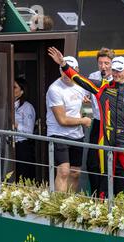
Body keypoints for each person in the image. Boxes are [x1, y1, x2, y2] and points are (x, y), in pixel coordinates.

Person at [48, 47, 124, 203]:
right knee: (104, 177)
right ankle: (102, 211)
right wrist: (64, 64)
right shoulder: (101, 86)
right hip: (105, 139)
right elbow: (79, 79)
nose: (116, 74)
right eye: (114, 70)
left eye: (119, 70)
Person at [46, 55, 92, 192]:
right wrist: (83, 120)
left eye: (69, 70)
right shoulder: (54, 89)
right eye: (63, 70)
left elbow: (87, 108)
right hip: (58, 134)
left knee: (75, 173)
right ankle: (59, 208)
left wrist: (86, 110)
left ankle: (69, 205)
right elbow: (62, 120)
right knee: (63, 171)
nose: (66, 74)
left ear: (76, 70)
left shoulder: (81, 86)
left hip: (77, 135)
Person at [86, 47, 114, 197]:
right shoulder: (93, 76)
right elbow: (84, 93)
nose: (103, 67)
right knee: (92, 162)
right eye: (100, 63)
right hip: (97, 123)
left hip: (113, 125)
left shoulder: (118, 77)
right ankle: (96, 196)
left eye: (107, 63)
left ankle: (109, 198)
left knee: (110, 163)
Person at [14, 78, 36, 181]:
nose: (12, 89)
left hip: (22, 146)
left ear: (22, 91)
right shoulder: (9, 105)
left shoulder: (27, 107)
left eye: (14, 87)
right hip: (10, 145)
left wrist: (17, 125)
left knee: (23, 176)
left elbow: (29, 131)